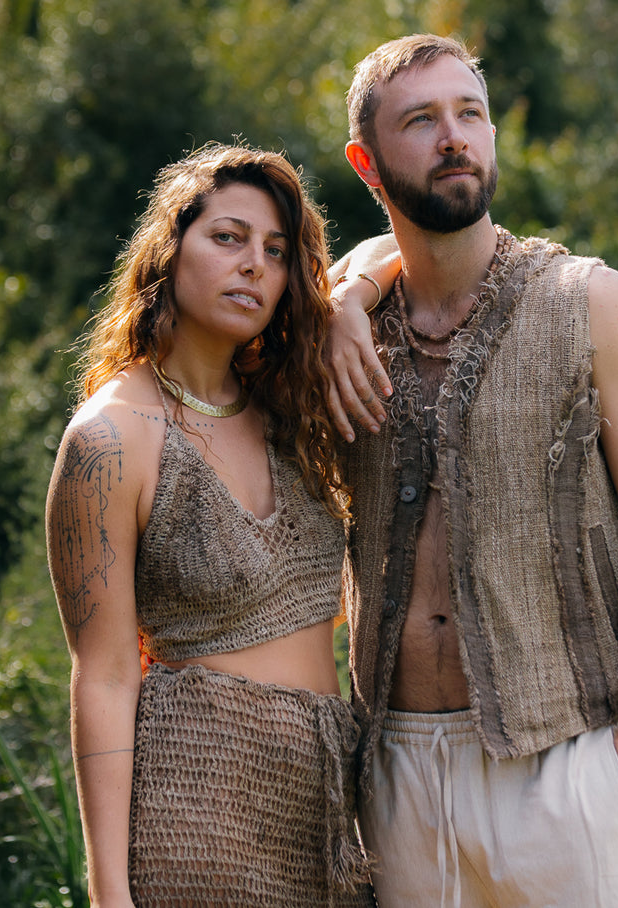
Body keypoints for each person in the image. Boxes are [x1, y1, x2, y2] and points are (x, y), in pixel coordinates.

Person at [325, 34, 618, 907]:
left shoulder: (589, 301)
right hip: (393, 779)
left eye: (470, 113)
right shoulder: (340, 336)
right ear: (367, 161)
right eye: (420, 121)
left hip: (566, 766)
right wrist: (345, 297)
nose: (454, 136)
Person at [45, 143, 374, 908]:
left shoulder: (286, 409)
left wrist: (350, 299)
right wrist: (108, 893)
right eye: (227, 237)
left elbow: (397, 249)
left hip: (330, 803)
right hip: (197, 809)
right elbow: (102, 673)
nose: (253, 264)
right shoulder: (111, 438)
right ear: (169, 248)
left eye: (275, 251)